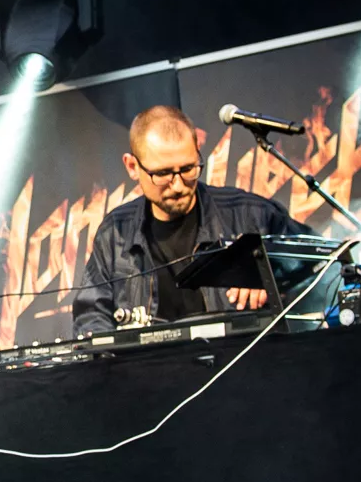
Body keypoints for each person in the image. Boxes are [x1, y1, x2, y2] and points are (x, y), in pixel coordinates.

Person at [71, 104, 310, 336]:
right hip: (151, 371)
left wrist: (271, 276)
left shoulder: (251, 214)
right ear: (133, 166)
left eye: (188, 169)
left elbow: (320, 265)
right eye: (163, 174)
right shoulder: (115, 232)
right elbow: (90, 317)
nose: (178, 185)